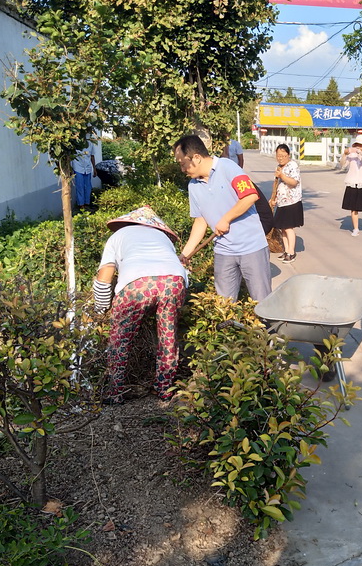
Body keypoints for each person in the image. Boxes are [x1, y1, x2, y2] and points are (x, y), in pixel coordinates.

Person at [92, 206, 189, 403]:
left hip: (137, 284)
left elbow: (105, 275)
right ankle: (164, 389)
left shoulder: (118, 236)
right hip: (174, 280)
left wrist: (101, 308)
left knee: (120, 339)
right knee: (167, 336)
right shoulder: (161, 237)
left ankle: (115, 392)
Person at [173, 134, 271, 301]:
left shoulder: (228, 167)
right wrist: (186, 254)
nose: (182, 170)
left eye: (183, 164)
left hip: (251, 247)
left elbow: (249, 196)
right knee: (224, 305)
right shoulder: (194, 186)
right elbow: (200, 221)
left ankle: (269, 328)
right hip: (223, 251)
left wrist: (226, 219)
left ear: (196, 158)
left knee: (262, 301)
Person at [272, 143, 303, 263]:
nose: (280, 158)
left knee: (289, 228)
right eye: (278, 155)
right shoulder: (279, 167)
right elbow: (276, 183)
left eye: (283, 155)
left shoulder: (292, 166)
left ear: (288, 155)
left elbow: (293, 182)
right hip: (282, 202)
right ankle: (286, 251)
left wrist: (282, 175)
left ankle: (291, 252)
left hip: (292, 201)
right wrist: (273, 198)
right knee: (283, 228)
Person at [341, 133, 362, 236]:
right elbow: (342, 165)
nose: (358, 147)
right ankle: (355, 228)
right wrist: (345, 154)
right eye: (357, 144)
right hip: (353, 182)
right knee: (353, 208)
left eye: (361, 145)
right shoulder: (352, 155)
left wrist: (361, 153)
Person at [72, 143, 98, 211]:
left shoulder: (90, 144)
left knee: (88, 187)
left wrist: (94, 168)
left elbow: (92, 156)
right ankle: (81, 205)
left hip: (88, 168)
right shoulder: (75, 144)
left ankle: (87, 204)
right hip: (78, 167)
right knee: (80, 186)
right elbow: (71, 156)